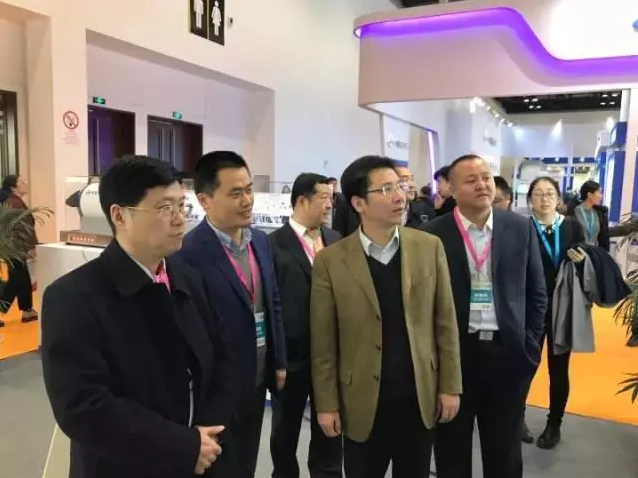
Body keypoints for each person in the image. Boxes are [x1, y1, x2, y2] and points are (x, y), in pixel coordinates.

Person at [41, 156, 237, 478]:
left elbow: (223, 357)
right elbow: (83, 407)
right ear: (120, 215)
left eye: (181, 206)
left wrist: (208, 436)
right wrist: (182, 445)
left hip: (201, 456)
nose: (179, 219)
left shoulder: (188, 279)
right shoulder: (73, 297)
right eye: (164, 208)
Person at [311, 155, 462, 478]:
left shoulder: (429, 247)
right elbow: (324, 341)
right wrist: (326, 404)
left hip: (418, 396)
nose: (399, 197)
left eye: (400, 187)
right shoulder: (331, 260)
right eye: (385, 189)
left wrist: (450, 386)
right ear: (358, 203)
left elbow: (445, 324)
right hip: (361, 401)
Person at [422, 154, 546, 478]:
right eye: (471, 180)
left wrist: (530, 346)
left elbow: (537, 292)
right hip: (455, 357)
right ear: (451, 189)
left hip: (507, 355)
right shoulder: (431, 235)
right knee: (451, 451)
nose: (482, 185)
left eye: (486, 177)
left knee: (505, 453)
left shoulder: (519, 227)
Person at [175, 151, 287, 478]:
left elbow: (272, 302)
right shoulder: (188, 254)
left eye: (249, 190)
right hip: (216, 388)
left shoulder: (260, 241)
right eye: (236, 193)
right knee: (219, 467)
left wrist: (279, 360)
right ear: (204, 200)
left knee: (248, 461)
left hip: (258, 377)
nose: (247, 200)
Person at [269, 173, 343, 478]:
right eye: (323, 197)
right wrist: (277, 358)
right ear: (302, 200)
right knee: (285, 431)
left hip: (332, 356)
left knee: (330, 428)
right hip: (293, 357)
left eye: (331, 198)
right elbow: (270, 305)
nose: (329, 204)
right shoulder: (272, 244)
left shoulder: (336, 240)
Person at [521, 176, 585, 449]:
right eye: (538, 193)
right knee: (524, 365)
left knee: (559, 368)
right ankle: (517, 416)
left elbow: (583, 266)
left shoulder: (571, 226)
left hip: (562, 307)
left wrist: (582, 262)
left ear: (558, 198)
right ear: (530, 200)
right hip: (530, 307)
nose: (544, 198)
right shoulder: (522, 228)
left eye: (549, 193)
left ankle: (554, 424)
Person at [0, 175, 38, 327]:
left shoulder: (14, 202)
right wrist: (30, 247)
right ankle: (25, 310)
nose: (25, 183)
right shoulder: (14, 203)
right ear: (13, 187)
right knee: (16, 280)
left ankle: (28, 310)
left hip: (13, 248)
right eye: (21, 182)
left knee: (21, 278)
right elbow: (22, 229)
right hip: (15, 248)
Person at [569, 180, 610, 251]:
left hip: (595, 253)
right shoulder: (573, 212)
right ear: (589, 195)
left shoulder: (600, 214)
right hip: (577, 253)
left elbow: (604, 237)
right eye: (599, 192)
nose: (601, 196)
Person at [394, 163, 435, 228]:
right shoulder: (381, 213)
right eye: (405, 180)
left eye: (412, 179)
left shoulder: (424, 210)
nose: (412, 185)